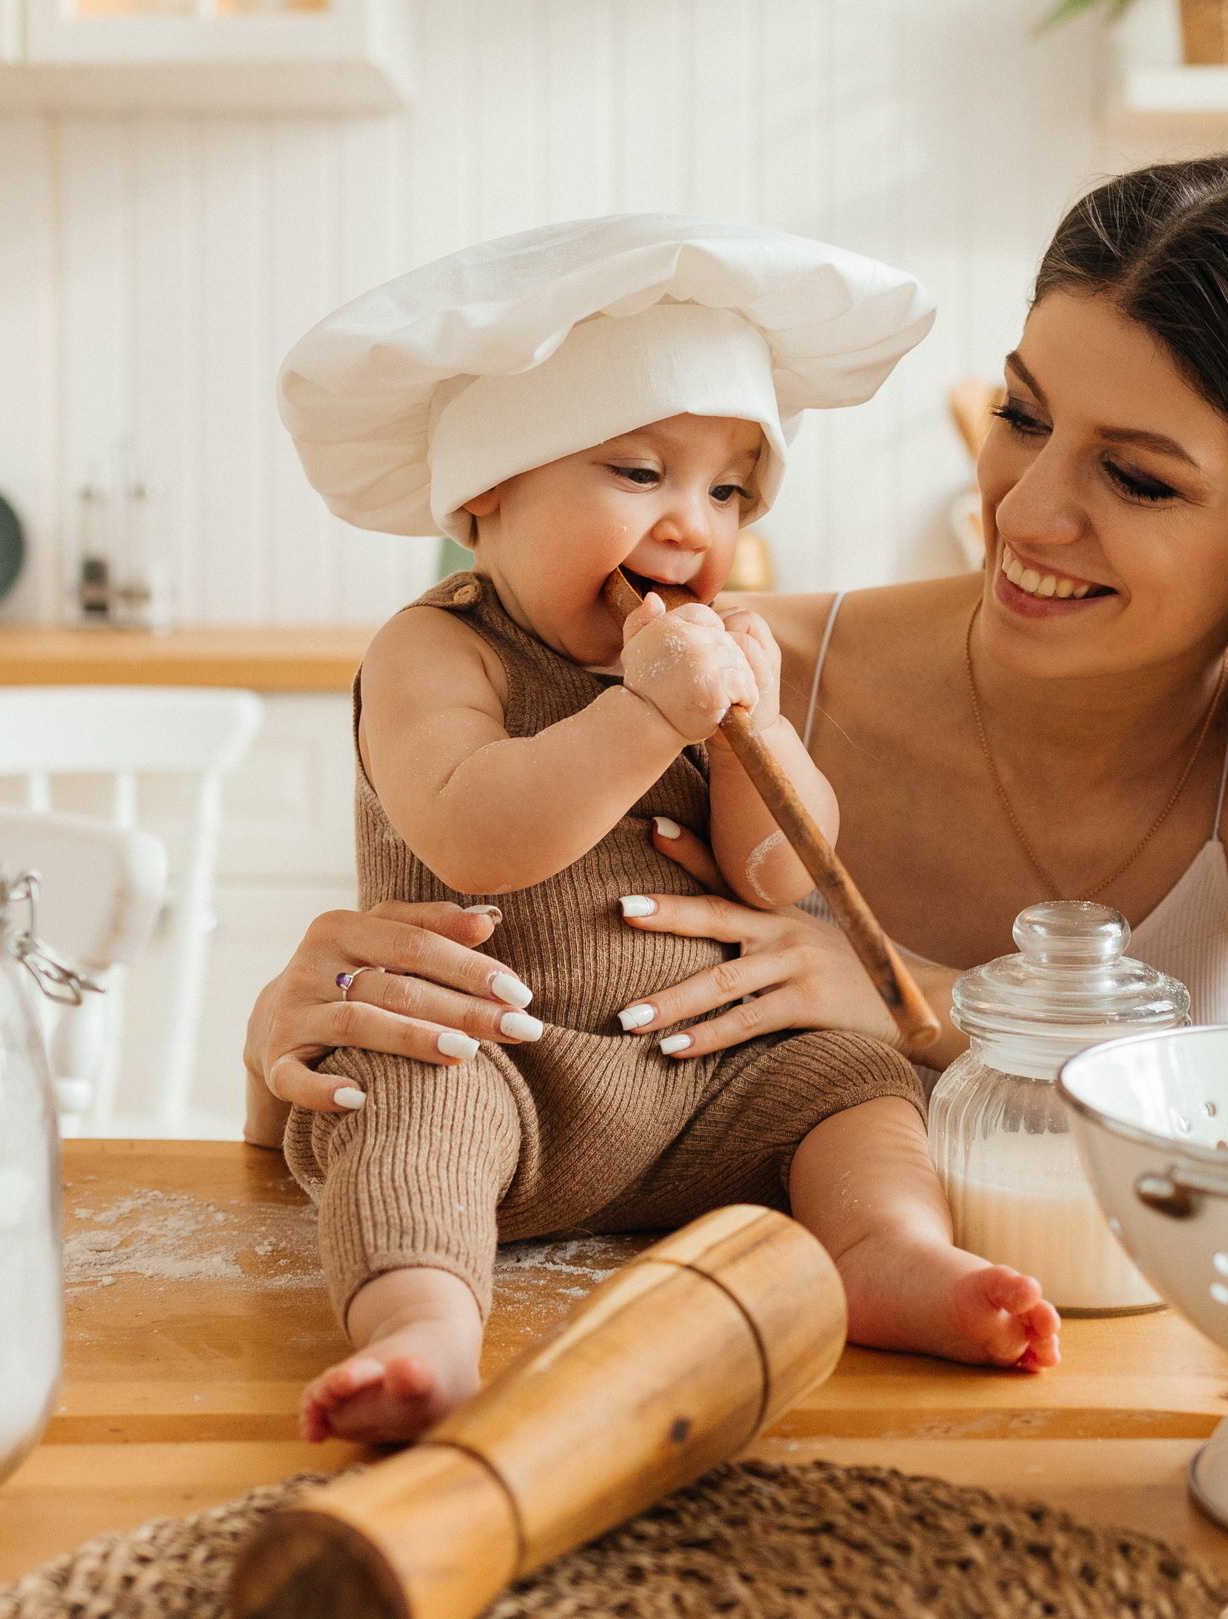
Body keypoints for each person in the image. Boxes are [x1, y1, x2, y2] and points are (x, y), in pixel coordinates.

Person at [245, 151, 1228, 1265]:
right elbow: (536, 1062)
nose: (1024, 506)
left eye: (1137, 478)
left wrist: (928, 999)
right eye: (1022, 412)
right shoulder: (736, 675)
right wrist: (282, 1048)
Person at [273, 216, 1062, 1446]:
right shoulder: (436, 646)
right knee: (392, 1101)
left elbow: (774, 870)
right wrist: (648, 714)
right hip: (499, 1069)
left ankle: (884, 1255)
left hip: (710, 1078)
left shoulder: (712, 655)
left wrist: (758, 730)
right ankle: (422, 1326)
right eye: (640, 473)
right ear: (486, 491)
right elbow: (476, 832)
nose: (694, 522)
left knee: (852, 1077)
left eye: (728, 487)